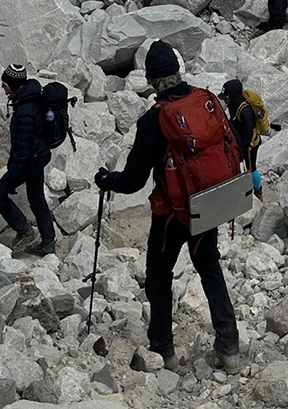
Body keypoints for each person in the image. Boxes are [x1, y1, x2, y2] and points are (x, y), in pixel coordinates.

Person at [95, 42, 241, 374]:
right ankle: (229, 348)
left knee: (159, 277)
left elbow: (133, 180)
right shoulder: (206, 100)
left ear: (150, 79)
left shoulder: (155, 120)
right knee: (210, 268)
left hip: (171, 214)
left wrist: (107, 180)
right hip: (210, 202)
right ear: (178, 70)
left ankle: (164, 350)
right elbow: (233, 143)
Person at [0, 64, 56, 257]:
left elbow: (23, 151)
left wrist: (13, 177)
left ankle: (25, 231)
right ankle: (48, 243)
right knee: (36, 198)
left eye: (4, 84)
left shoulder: (24, 111)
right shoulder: (30, 97)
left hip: (30, 160)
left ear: (12, 85)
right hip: (40, 155)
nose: (2, 87)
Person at [221, 80, 263, 200]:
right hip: (242, 141)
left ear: (232, 96)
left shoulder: (245, 110)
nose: (225, 100)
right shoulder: (234, 104)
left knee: (251, 167)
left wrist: (243, 150)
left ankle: (258, 191)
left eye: (226, 97)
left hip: (250, 144)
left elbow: (249, 130)